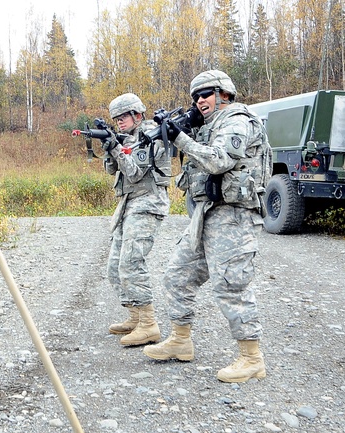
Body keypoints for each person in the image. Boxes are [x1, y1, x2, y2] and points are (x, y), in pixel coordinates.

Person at [142, 70, 270, 383]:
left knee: (231, 285)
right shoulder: (208, 125)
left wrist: (180, 138)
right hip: (207, 212)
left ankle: (252, 359)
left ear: (224, 93)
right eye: (196, 96)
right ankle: (180, 340)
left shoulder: (236, 119)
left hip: (235, 215)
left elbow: (219, 161)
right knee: (178, 274)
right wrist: (174, 131)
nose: (201, 101)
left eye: (207, 94)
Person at [102, 93, 172, 347]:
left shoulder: (151, 136)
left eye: (123, 117)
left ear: (137, 114)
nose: (119, 122)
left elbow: (133, 172)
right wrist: (110, 148)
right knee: (114, 267)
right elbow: (112, 170)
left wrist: (116, 148)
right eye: (116, 119)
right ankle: (134, 315)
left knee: (131, 263)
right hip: (128, 203)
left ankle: (149, 324)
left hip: (148, 201)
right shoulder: (128, 137)